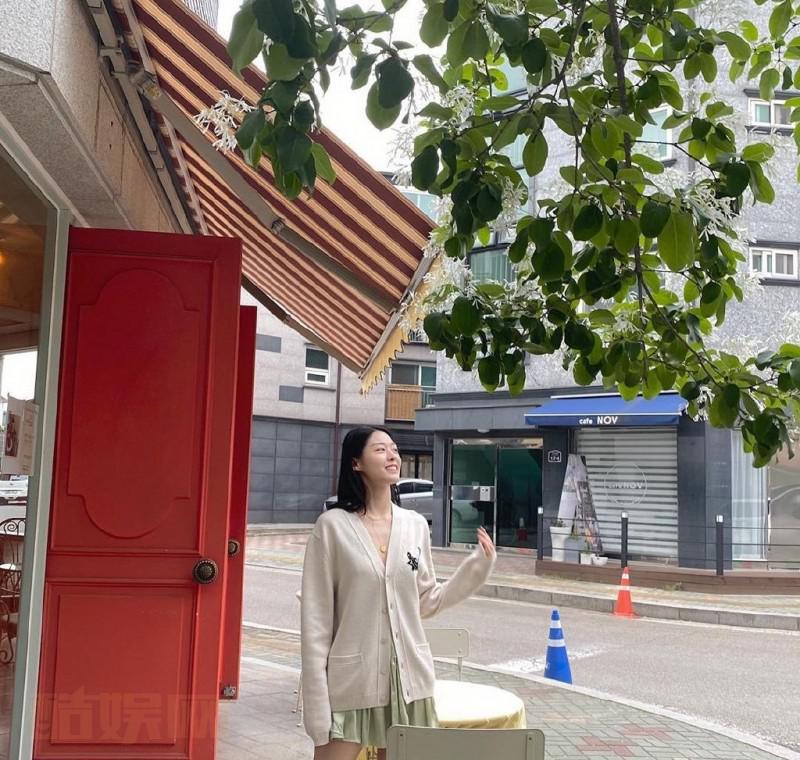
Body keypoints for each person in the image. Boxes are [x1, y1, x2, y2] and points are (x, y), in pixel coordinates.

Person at [301, 426, 497, 759]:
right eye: (380, 450)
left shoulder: (415, 525)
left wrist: (476, 569)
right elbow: (316, 621)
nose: (392, 456)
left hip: (410, 682)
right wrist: (316, 700)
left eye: (394, 449)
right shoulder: (332, 527)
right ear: (356, 463)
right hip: (353, 681)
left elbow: (427, 601)